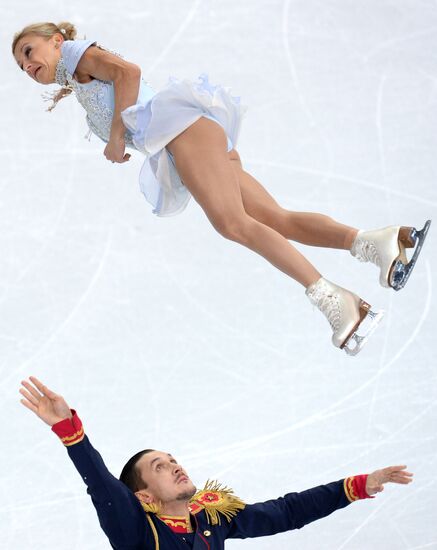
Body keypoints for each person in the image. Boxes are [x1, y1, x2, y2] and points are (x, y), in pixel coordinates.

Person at [12, 22, 431, 354]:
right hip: (190, 140)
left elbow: (130, 73)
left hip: (185, 134)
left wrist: (118, 133)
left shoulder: (76, 53)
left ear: (56, 39)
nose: (29, 66)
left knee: (232, 224)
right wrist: (121, 135)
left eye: (29, 51)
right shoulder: (77, 75)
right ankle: (378, 243)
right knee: (273, 218)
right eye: (22, 66)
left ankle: (337, 303)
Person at [19, 376, 413, 549]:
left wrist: (358, 485)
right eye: (159, 467)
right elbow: (103, 486)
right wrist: (71, 433)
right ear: (144, 497)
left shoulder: (210, 519)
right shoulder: (138, 533)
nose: (175, 465)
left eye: (172, 459)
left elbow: (285, 512)